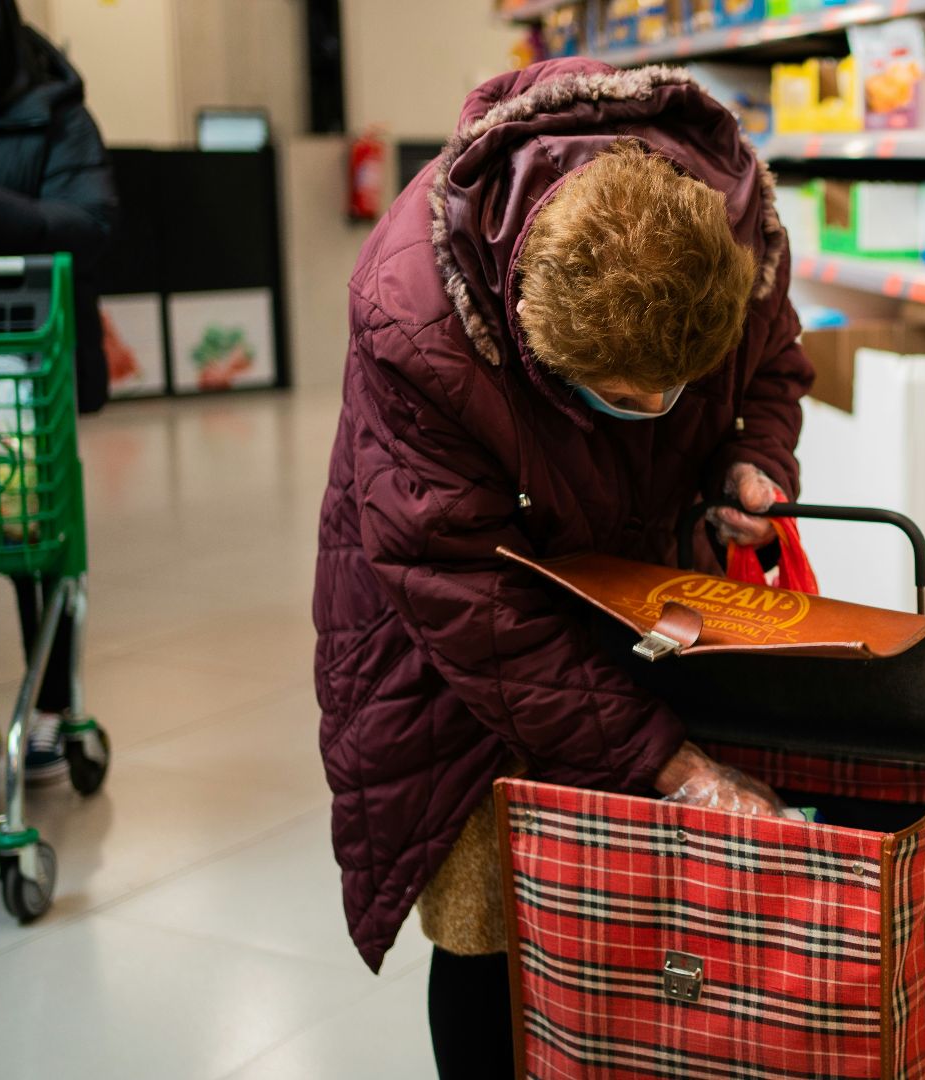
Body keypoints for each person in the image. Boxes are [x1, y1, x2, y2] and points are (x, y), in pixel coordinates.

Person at [312, 58, 813, 1078]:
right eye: (627, 397)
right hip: (459, 644)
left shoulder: (738, 240)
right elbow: (460, 588)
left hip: (646, 600)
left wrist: (750, 457)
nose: (659, 410)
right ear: (538, 351)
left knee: (652, 912)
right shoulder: (420, 312)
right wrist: (667, 766)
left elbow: (772, 368)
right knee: (487, 910)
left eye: (680, 389)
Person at [0, 0, 115, 778]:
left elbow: (92, 225)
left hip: (20, 374)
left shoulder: (54, 107)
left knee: (34, 538)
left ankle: (52, 704)